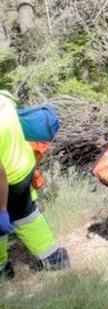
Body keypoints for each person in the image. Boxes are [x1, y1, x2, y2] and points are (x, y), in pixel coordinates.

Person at [0, 91, 68, 276]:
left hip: (8, 176)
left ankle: (2, 270)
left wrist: (2, 210)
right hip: (24, 164)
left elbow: (0, 175)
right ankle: (54, 258)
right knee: (25, 214)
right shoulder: (4, 99)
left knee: (10, 215)